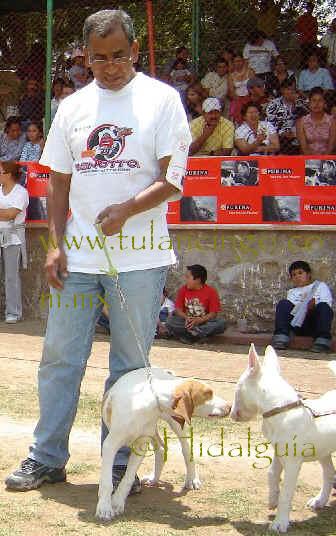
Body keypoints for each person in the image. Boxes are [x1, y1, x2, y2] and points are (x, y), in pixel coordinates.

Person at [4, 8, 191, 494]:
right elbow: (59, 181)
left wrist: (127, 209)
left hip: (140, 260)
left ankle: (119, 462)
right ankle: (47, 457)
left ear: (135, 50)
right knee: (60, 357)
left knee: (130, 366)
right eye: (98, 59)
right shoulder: (73, 107)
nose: (110, 67)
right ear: (85, 58)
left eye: (119, 56)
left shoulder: (162, 100)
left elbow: (172, 179)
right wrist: (55, 245)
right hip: (80, 260)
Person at [272, 261, 333, 353]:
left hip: (315, 324)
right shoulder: (292, 292)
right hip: (298, 325)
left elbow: (327, 305)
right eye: (294, 275)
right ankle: (281, 338)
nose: (297, 277)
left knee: (323, 306)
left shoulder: (320, 286)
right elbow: (291, 312)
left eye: (300, 273)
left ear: (308, 274)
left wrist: (313, 305)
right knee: (283, 303)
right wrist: (302, 306)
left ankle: (322, 341)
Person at [0, 161, 29, 323]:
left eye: (1, 172)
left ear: (8, 174)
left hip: (13, 237)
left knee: (11, 276)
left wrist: (6, 213)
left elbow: (11, 214)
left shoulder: (20, 192)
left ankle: (13, 312)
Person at [166, 264, 225, 344]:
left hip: (203, 322)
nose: (186, 280)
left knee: (221, 323)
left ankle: (190, 335)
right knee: (170, 321)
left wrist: (200, 320)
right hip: (187, 322)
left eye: (188, 277)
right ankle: (197, 335)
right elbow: (178, 310)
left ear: (198, 280)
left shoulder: (211, 292)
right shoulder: (183, 290)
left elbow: (213, 313)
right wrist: (187, 318)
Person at [266, 80, 308, 154]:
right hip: (280, 136)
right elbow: (270, 123)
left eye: (293, 89)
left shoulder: (299, 102)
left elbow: (310, 114)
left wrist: (297, 103)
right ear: (282, 90)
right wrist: (282, 132)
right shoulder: (273, 104)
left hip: (298, 135)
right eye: (289, 89)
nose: (292, 92)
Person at [296, 87, 336, 155]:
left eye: (320, 100)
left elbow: (331, 147)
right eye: (313, 100)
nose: (316, 104)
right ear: (309, 104)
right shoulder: (301, 122)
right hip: (307, 160)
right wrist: (314, 162)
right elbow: (304, 148)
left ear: (324, 103)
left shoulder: (332, 121)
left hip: (327, 160)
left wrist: (322, 162)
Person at [295, 2, 318, 66]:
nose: (311, 9)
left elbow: (315, 30)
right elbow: (297, 29)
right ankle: (303, 66)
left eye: (312, 8)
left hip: (311, 40)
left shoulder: (314, 19)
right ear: (307, 8)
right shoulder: (301, 18)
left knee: (311, 55)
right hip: (304, 40)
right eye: (309, 8)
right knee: (304, 54)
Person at [321, 18, 336, 84]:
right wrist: (329, 33)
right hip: (330, 64)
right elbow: (323, 44)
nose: (334, 26)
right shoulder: (330, 36)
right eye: (333, 24)